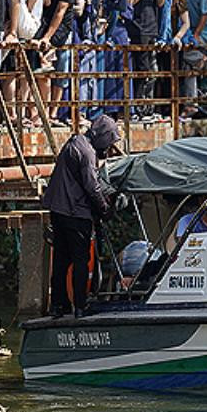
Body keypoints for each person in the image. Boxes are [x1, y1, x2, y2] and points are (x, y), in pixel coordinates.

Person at [42, 114, 121, 318]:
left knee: (61, 260)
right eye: (110, 141)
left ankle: (58, 306)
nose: (109, 148)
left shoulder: (75, 143)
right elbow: (92, 186)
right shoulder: (86, 151)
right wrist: (104, 209)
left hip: (58, 210)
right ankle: (80, 305)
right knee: (80, 260)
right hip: (75, 213)